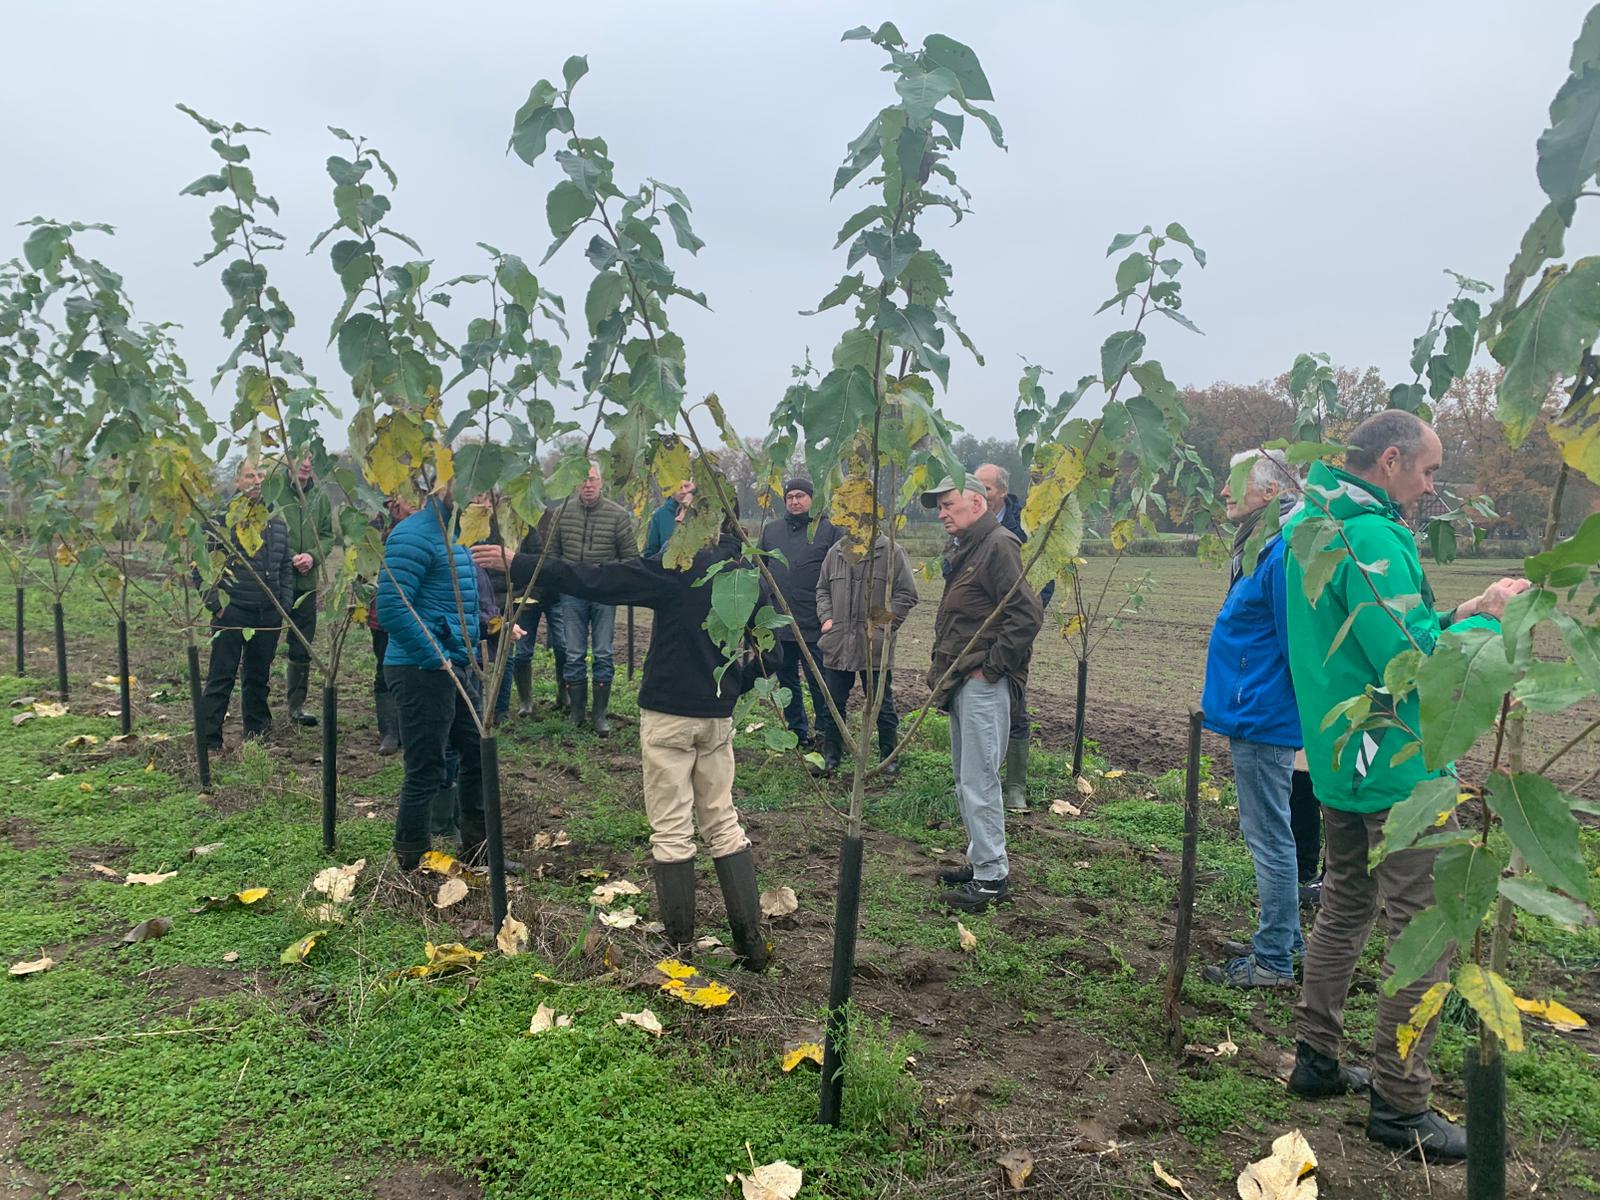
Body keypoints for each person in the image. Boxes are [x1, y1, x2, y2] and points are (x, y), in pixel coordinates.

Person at [1281, 410, 1528, 1161]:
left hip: (1340, 752)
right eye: (1425, 471)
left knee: (1347, 900)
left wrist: (1467, 609)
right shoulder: (1372, 536)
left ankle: (1316, 1056)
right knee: (1423, 930)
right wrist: (1494, 631)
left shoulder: (1314, 524)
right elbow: (1419, 656)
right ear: (1389, 460)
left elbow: (1390, 631)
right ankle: (1400, 1103)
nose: (1427, 488)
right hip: (1398, 765)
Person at [472, 501, 777, 971]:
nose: (677, 517)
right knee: (722, 820)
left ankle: (678, 951)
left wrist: (522, 562)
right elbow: (770, 645)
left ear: (706, 518)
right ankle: (753, 947)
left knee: (672, 829)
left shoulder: (679, 567)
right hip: (717, 715)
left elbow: (598, 579)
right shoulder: (746, 571)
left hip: (669, 712)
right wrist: (736, 680)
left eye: (685, 511)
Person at [1198, 448, 1307, 990]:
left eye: (1233, 482)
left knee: (1269, 837)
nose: (1223, 493)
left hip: (1263, 713)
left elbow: (1295, 644)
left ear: (1269, 492)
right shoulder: (1264, 546)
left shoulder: (1282, 552)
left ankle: (1272, 961)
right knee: (1272, 833)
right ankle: (1286, 940)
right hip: (1255, 707)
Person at [921, 474, 1043, 913]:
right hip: (962, 681)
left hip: (982, 684)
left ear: (976, 502)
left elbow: (1026, 614)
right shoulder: (969, 547)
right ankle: (980, 862)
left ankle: (992, 877)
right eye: (939, 507)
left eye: (949, 504)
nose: (942, 513)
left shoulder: (998, 545)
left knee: (979, 780)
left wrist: (991, 669)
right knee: (964, 778)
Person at [375, 488, 486, 871]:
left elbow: (451, 604)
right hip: (419, 668)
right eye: (474, 484)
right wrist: (434, 656)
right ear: (443, 485)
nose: (484, 494)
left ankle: (479, 853)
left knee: (477, 753)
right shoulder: (413, 535)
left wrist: (484, 630)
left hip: (451, 664)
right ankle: (411, 861)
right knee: (426, 766)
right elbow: (391, 608)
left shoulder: (460, 536)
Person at [200, 460, 296, 751]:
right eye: (249, 475)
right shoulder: (221, 520)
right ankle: (209, 740)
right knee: (221, 676)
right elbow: (201, 567)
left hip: (267, 614)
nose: (256, 480)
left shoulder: (277, 523)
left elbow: (285, 569)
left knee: (258, 678)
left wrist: (284, 604)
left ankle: (258, 735)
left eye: (261, 475)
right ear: (237, 482)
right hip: (233, 611)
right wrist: (217, 605)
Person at [973, 462, 1051, 812]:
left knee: (1014, 701)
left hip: (1013, 628)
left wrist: (1026, 615)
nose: (979, 494)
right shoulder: (967, 524)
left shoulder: (1025, 527)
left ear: (1002, 491)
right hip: (975, 629)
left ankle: (1015, 784)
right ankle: (978, 779)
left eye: (985, 489)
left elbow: (1044, 578)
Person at [815, 523, 918, 776]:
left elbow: (906, 594)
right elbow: (822, 590)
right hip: (838, 642)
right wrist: (827, 618)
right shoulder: (835, 552)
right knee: (834, 703)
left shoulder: (891, 552)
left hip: (874, 645)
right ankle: (832, 756)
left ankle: (888, 757)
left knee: (882, 704)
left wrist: (882, 626)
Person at [547, 462, 636, 735]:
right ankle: (576, 713)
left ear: (601, 482)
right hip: (572, 595)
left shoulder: (617, 515)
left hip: (603, 596)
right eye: (584, 480)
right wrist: (562, 579)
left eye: (593, 480)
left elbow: (630, 558)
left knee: (603, 653)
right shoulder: (562, 513)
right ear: (577, 483)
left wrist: (611, 581)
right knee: (573, 654)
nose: (588, 485)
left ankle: (600, 716)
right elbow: (551, 553)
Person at [758, 478, 840, 749]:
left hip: (815, 622)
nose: (795, 501)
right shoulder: (771, 531)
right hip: (780, 621)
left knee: (820, 681)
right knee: (787, 681)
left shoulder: (828, 530)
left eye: (801, 496)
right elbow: (761, 569)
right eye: (790, 496)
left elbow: (839, 574)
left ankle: (826, 732)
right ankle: (797, 731)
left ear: (812, 499)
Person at [282, 452, 334, 728]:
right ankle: (257, 709)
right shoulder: (274, 492)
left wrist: (312, 555)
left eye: (310, 458)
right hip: (276, 581)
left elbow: (327, 536)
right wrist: (289, 556)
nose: (305, 464)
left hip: (306, 584)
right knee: (262, 646)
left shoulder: (321, 498)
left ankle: (296, 706)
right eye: (299, 456)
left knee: (301, 645)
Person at [368, 494, 415, 755]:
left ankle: (408, 728)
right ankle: (389, 731)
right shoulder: (378, 526)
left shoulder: (427, 524)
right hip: (383, 609)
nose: (415, 501)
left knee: (413, 670)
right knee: (384, 669)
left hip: (416, 608)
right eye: (410, 496)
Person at [509, 507, 567, 717]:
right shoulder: (517, 520)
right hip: (525, 596)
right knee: (523, 652)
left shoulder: (557, 517)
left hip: (555, 594)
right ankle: (526, 702)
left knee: (562, 646)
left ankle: (564, 695)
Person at [643, 477, 694, 557]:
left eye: (686, 486)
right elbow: (650, 553)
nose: (684, 491)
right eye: (679, 488)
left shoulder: (704, 512)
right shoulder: (659, 516)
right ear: (671, 491)